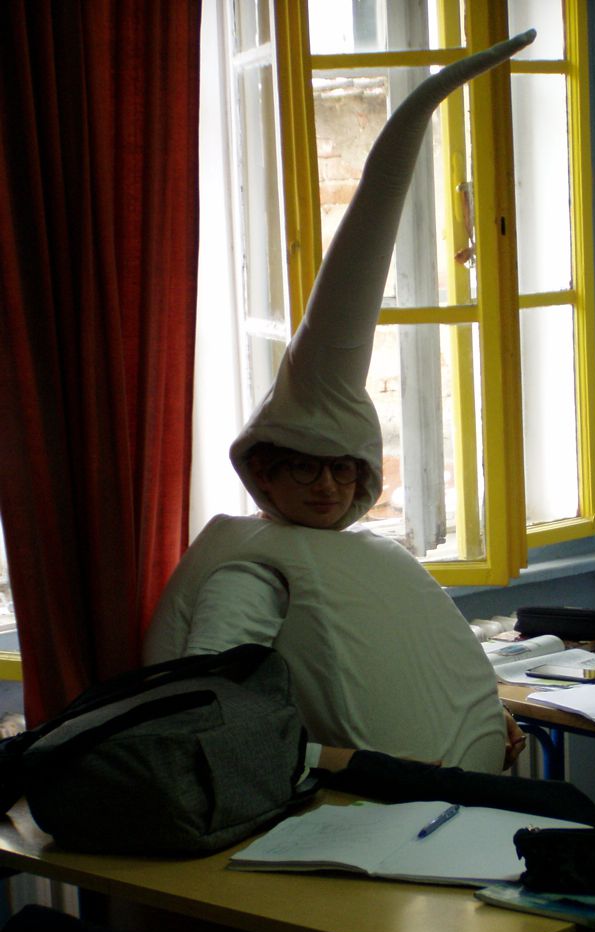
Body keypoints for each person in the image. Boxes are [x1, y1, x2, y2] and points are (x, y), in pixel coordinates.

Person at [145, 35, 538, 777]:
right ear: (265, 472)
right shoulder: (253, 572)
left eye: (342, 470)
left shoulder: (363, 555)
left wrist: (494, 717)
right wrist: (340, 763)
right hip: (360, 811)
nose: (327, 487)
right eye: (304, 468)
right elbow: (208, 710)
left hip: (441, 800)